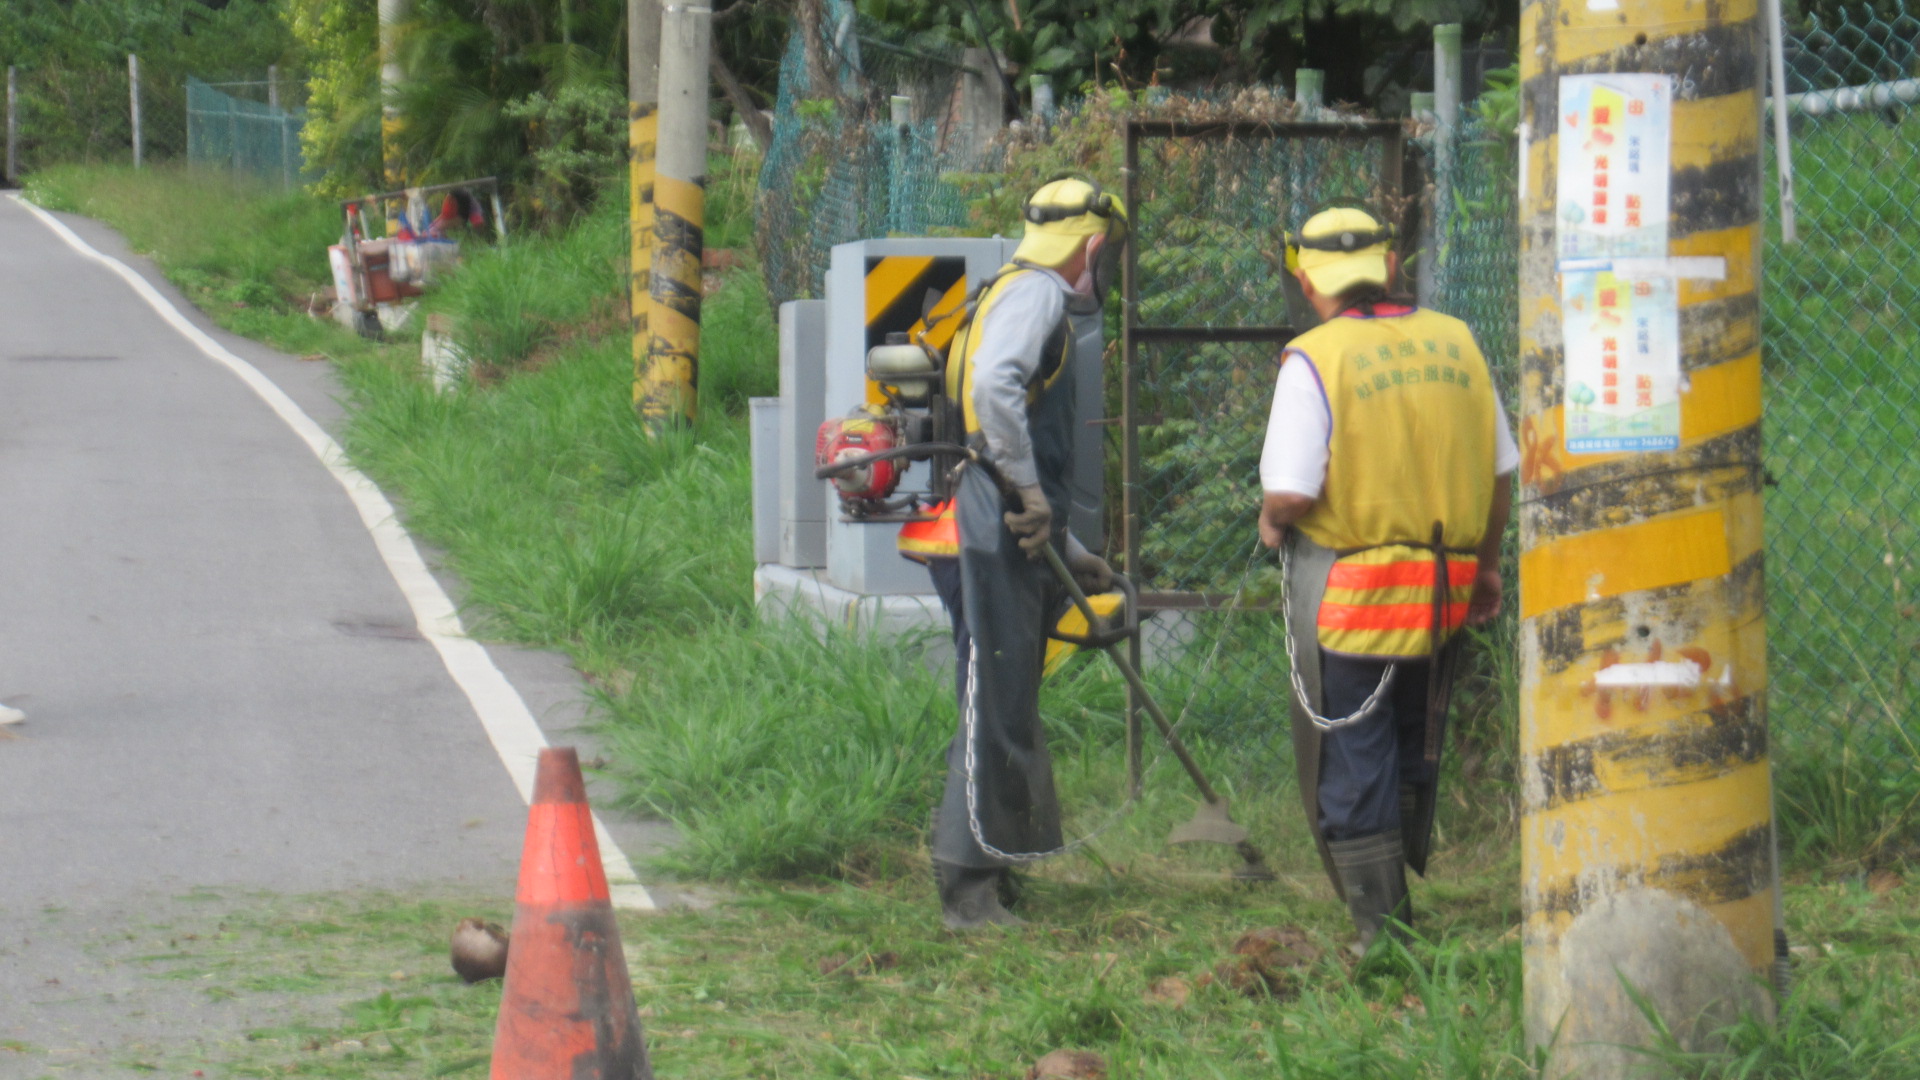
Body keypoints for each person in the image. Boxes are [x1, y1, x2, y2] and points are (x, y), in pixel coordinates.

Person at [1257, 204, 1517, 951]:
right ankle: (1397, 890)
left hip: (1356, 601)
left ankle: (1381, 930)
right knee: (1412, 736)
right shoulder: (1458, 341)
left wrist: (1273, 523)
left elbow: (1294, 491)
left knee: (1354, 751)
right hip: (1444, 589)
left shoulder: (1314, 357)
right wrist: (1489, 566)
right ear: (1392, 267)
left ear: (1307, 280)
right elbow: (1502, 471)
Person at [929, 176, 1129, 930]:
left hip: (994, 513)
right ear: (1095, 246)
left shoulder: (1002, 288)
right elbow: (996, 388)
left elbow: (1010, 440)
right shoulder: (1042, 296)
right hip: (994, 520)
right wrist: (1030, 496)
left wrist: (1071, 549)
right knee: (996, 699)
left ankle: (992, 869)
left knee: (1002, 696)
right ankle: (968, 890)